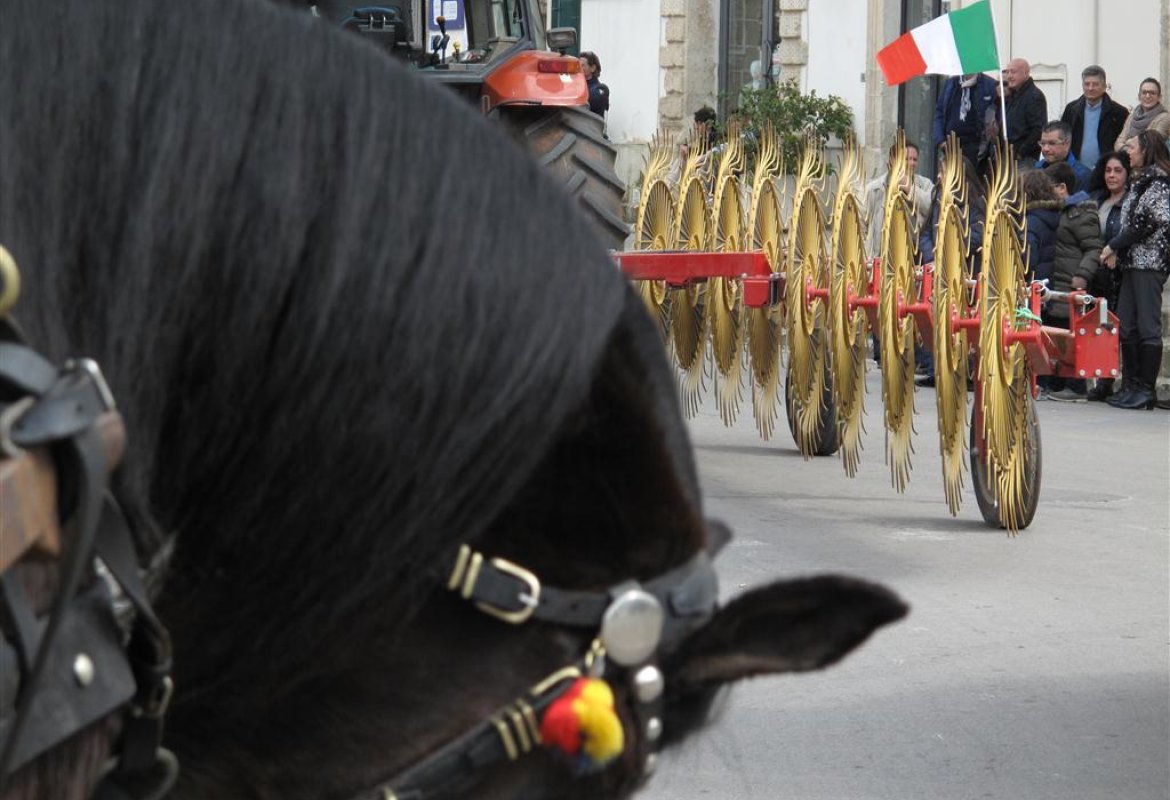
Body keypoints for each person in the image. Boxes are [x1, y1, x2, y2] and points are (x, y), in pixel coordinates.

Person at [1099, 130, 1170, 409]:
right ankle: (1130, 383)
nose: (1128, 152)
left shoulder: (1160, 182)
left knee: (1147, 326)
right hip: (1132, 261)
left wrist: (1114, 245)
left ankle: (1145, 388)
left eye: (1132, 147)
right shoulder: (1140, 181)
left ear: (1146, 150)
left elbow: (1147, 221)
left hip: (1150, 262)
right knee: (1126, 324)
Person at [1039, 161, 1103, 401]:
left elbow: (1094, 248)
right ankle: (1054, 382)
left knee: (1071, 335)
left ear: (1062, 187)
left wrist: (1082, 275)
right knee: (1055, 334)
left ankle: (1075, 386)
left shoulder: (1081, 214)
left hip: (1071, 284)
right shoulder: (1057, 212)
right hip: (1055, 284)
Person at [1084, 150, 1131, 400]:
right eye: (1108, 171)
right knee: (1098, 327)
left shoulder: (1130, 201)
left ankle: (1110, 379)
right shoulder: (1098, 199)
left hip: (1119, 273)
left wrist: (1114, 250)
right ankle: (1100, 380)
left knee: (1114, 327)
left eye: (1118, 171)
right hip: (1097, 272)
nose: (1111, 176)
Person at [1059, 65, 1129, 171]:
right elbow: (1062, 138)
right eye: (1087, 84)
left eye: (1095, 84)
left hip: (1106, 172)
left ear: (1104, 86)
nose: (1090, 88)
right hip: (1075, 171)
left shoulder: (1118, 113)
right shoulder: (1071, 110)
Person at [933, 72, 999, 174]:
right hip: (951, 144)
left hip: (977, 147)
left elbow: (995, 112)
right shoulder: (951, 84)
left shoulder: (989, 84)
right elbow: (939, 113)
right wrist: (940, 140)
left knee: (973, 183)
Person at [1003, 58, 1047, 166]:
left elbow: (1038, 130)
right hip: (1009, 157)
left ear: (1026, 73)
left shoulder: (1034, 96)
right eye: (1007, 72)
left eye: (1013, 72)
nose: (1009, 76)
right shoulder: (1013, 95)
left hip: (1024, 159)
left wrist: (1020, 152)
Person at [1023, 169, 1059, 285]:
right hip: (1050, 282)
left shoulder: (1031, 221)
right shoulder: (1057, 215)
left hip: (1034, 287)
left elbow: (1028, 261)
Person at [1113, 78, 1170, 150]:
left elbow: (1151, 144)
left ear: (1159, 97)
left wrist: (1127, 143)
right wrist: (1130, 149)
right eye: (1144, 92)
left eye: (1152, 93)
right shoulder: (1132, 117)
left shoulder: (1165, 118)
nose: (1148, 96)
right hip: (1128, 160)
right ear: (1139, 96)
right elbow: (1118, 144)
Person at [1036, 120, 1092, 193]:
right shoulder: (1037, 169)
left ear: (1066, 144)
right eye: (1043, 143)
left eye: (1052, 143)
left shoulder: (1082, 175)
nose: (1045, 149)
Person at [578, 51, 609, 118]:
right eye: (578, 65)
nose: (579, 68)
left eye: (583, 65)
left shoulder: (600, 89)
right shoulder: (575, 86)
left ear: (593, 68)